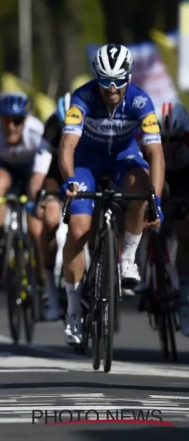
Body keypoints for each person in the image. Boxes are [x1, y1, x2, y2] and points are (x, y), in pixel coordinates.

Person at [59, 43, 164, 346]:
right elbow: (66, 145)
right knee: (78, 229)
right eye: (106, 80)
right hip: (87, 162)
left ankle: (128, 257)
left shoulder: (141, 101)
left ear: (129, 77)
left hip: (123, 159)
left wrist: (154, 198)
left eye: (119, 80)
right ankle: (74, 309)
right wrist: (69, 179)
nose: (113, 88)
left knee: (141, 186)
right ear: (97, 78)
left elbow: (155, 153)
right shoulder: (83, 97)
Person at [0, 93, 46, 283]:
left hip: (33, 171)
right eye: (6, 121)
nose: (11, 127)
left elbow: (38, 177)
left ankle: (43, 280)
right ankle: (1, 243)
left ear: (26, 120)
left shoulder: (37, 133)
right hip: (6, 168)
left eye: (17, 121)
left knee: (36, 229)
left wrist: (34, 203)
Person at [29, 93, 68, 321]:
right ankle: (50, 289)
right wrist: (36, 200)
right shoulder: (52, 128)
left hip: (85, 168)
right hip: (55, 174)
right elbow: (39, 172)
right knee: (51, 219)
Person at [153, 102, 189, 335]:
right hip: (157, 176)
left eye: (173, 139)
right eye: (162, 139)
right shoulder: (144, 140)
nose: (167, 144)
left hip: (184, 181)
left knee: (184, 232)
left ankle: (185, 301)